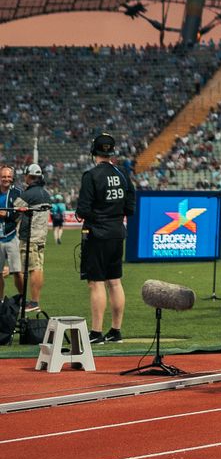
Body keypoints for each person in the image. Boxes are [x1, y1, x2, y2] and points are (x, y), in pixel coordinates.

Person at [76, 134, 136, 344]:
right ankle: (116, 331)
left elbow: (82, 209)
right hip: (117, 232)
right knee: (115, 282)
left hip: (97, 234)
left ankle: (96, 332)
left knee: (96, 283)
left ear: (94, 153)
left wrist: (97, 217)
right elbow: (130, 207)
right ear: (111, 153)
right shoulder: (122, 175)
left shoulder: (91, 175)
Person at [13, 163, 52, 309]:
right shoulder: (46, 193)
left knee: (29, 269)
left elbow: (14, 211)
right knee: (38, 268)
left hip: (29, 237)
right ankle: (35, 300)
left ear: (28, 176)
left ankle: (32, 301)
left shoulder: (28, 194)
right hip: (42, 236)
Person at [0, 167, 19, 303]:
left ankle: (23, 299)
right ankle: (0, 301)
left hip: (11, 236)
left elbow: (21, 212)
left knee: (18, 272)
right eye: (3, 176)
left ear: (12, 178)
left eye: (8, 176)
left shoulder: (17, 193)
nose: (6, 179)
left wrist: (7, 214)